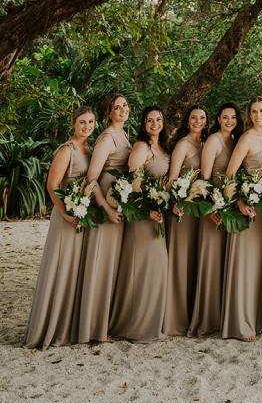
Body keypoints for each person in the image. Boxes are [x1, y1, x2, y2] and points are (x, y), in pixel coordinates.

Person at [25, 106, 97, 349]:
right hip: (66, 217)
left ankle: (68, 327)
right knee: (60, 268)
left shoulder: (90, 148)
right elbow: (52, 184)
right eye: (82, 122)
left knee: (75, 272)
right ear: (73, 123)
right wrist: (66, 214)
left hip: (82, 217)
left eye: (90, 122)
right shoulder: (67, 150)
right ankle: (50, 327)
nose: (86, 126)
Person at [110, 106, 170, 342]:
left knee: (157, 269)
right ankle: (138, 328)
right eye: (149, 120)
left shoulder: (163, 147)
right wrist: (148, 210)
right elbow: (132, 184)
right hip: (143, 216)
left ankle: (151, 324)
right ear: (143, 124)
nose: (154, 123)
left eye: (158, 119)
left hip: (158, 213)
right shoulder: (141, 147)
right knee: (143, 269)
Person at [74, 92, 130, 343]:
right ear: (108, 113)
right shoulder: (107, 137)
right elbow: (92, 177)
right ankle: (92, 328)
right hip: (106, 207)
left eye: (125, 106)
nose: (122, 110)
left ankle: (103, 323)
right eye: (116, 107)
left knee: (110, 267)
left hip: (118, 204)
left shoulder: (124, 134)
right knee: (100, 265)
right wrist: (106, 209)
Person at [221, 97, 262, 340]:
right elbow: (229, 174)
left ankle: (257, 319)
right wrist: (240, 202)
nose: (258, 115)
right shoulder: (247, 138)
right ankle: (240, 324)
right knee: (244, 264)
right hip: (247, 209)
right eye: (253, 111)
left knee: (259, 264)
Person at [188, 102, 242, 337]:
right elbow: (205, 178)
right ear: (218, 119)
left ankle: (221, 317)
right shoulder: (214, 140)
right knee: (210, 263)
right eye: (225, 117)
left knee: (224, 264)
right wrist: (210, 209)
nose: (229, 121)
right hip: (213, 209)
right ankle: (206, 319)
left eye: (233, 117)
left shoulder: (235, 141)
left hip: (229, 208)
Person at [164, 105, 208, 336]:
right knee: (180, 261)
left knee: (194, 260)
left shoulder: (206, 143)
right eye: (193, 118)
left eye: (202, 117)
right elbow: (172, 177)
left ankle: (192, 313)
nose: (198, 121)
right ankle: (174, 316)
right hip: (183, 208)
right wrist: (176, 201)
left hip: (199, 210)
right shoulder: (183, 144)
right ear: (187, 121)